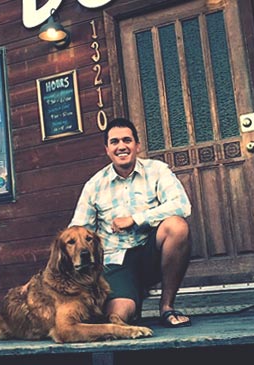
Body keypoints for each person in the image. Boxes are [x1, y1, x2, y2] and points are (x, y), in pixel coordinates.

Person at [69, 117, 192, 328]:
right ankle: (131, 299)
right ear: (107, 149)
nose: (121, 146)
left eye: (127, 140)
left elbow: (182, 205)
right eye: (114, 142)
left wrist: (135, 219)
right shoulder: (94, 185)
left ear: (137, 145)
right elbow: (78, 230)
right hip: (115, 262)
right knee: (118, 318)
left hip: (150, 255)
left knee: (177, 226)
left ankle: (167, 307)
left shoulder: (157, 171)